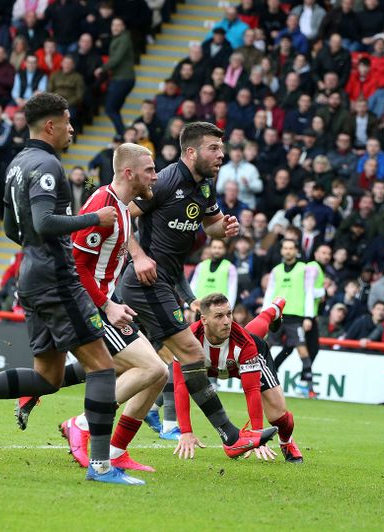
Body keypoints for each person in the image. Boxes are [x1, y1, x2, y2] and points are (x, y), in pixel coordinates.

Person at [0, 94, 143, 485]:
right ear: (51, 126)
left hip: (30, 274)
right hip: (56, 279)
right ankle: (101, 466)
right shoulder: (47, 164)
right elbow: (45, 222)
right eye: (67, 122)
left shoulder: (17, 164)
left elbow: (14, 228)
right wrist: (93, 217)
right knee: (102, 366)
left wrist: (35, 251)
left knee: (49, 377)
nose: (72, 129)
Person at [115, 121, 278, 458]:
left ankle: (104, 440)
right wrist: (139, 254)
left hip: (167, 282)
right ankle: (231, 437)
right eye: (213, 148)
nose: (222, 155)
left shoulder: (204, 186)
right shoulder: (165, 181)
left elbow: (210, 225)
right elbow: (120, 215)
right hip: (147, 280)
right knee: (189, 353)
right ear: (191, 152)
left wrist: (224, 228)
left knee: (145, 367)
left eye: (222, 148)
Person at [15, 143, 168, 474]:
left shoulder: (125, 209)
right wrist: (106, 305)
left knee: (154, 373)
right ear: (129, 173)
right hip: (89, 305)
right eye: (149, 169)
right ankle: (81, 424)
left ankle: (115, 450)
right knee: (151, 369)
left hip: (102, 302)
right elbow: (77, 264)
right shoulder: (102, 203)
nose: (155, 175)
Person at [173, 293, 302, 462]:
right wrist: (186, 431)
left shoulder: (245, 343)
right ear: (204, 320)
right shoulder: (188, 340)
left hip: (242, 363)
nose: (227, 321)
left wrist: (257, 436)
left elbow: (252, 390)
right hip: (212, 367)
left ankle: (286, 441)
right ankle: (274, 309)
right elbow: (180, 386)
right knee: (253, 329)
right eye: (219, 316)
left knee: (277, 416)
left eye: (229, 314)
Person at [263, 238, 325, 397]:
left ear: (296, 251)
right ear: (282, 251)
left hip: (296, 316)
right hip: (277, 315)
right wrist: (265, 313)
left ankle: (309, 388)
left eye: (291, 248)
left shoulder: (305, 269)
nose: (288, 251)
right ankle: (259, 379)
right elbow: (269, 293)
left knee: (302, 351)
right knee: (265, 347)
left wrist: (308, 317)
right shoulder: (276, 270)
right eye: (285, 248)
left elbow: (309, 292)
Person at [190, 238, 239, 307]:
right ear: (210, 248)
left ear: (225, 250)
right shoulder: (201, 265)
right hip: (200, 307)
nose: (217, 250)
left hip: (219, 308)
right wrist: (188, 305)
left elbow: (232, 290)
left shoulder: (230, 267)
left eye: (220, 248)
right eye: (214, 247)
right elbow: (193, 285)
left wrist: (229, 308)